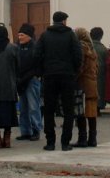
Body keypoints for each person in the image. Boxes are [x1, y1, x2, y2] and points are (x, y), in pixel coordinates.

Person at [34, 10, 82, 150]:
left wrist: (42, 71)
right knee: (68, 110)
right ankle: (65, 143)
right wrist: (73, 70)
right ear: (64, 21)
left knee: (49, 110)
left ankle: (50, 142)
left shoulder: (45, 35)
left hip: (49, 76)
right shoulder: (71, 35)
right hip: (67, 76)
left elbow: (37, 54)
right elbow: (78, 55)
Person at [15, 23, 42, 141]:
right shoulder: (17, 48)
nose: (20, 37)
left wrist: (30, 76)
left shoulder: (35, 48)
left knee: (33, 106)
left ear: (29, 36)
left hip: (31, 80)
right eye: (19, 35)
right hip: (20, 81)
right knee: (23, 107)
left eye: (22, 35)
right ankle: (25, 131)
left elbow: (38, 65)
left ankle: (36, 130)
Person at [74, 26, 99, 147]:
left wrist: (73, 77)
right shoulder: (92, 49)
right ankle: (93, 138)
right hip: (92, 83)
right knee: (92, 112)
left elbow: (80, 66)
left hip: (83, 83)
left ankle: (82, 138)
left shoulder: (81, 47)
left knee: (81, 111)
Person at [90, 27, 107, 112]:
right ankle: (98, 107)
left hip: (89, 71)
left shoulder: (88, 46)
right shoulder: (103, 48)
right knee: (100, 89)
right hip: (101, 72)